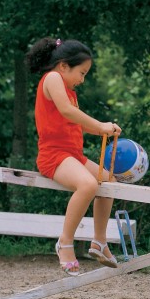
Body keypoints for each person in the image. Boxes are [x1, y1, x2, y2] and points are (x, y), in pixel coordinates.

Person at [26, 37, 122, 276]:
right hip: (53, 155)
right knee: (88, 184)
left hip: (72, 155)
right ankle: (65, 242)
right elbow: (67, 111)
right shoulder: (52, 78)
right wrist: (101, 125)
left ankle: (99, 242)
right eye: (82, 72)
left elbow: (75, 121)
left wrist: (107, 128)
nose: (82, 79)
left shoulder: (67, 89)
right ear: (63, 66)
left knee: (109, 182)